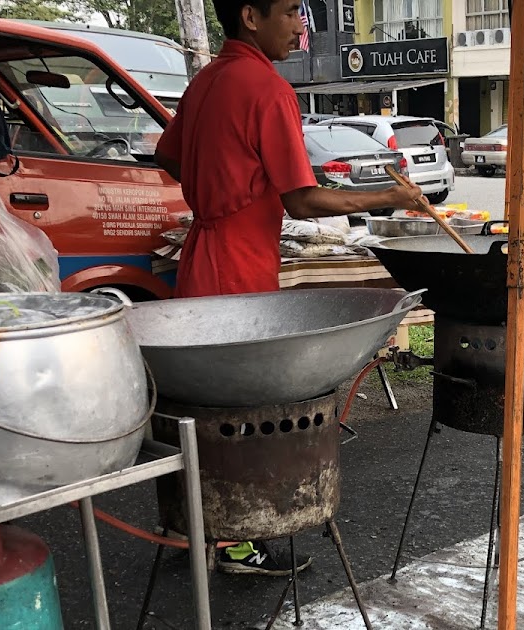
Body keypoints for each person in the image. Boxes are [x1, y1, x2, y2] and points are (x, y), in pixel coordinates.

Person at [153, 0, 422, 575]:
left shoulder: (205, 80)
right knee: (241, 406)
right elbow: (302, 200)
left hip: (203, 249)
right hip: (237, 265)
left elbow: (168, 157)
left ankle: (203, 527)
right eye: (290, 12)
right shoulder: (267, 88)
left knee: (202, 401)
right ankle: (237, 542)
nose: (301, 24)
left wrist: (219, 184)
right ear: (250, 16)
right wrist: (389, 197)